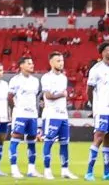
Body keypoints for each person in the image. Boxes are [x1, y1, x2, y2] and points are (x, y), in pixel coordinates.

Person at [85, 42, 109, 181]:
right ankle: (89, 172)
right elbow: (89, 89)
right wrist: (94, 105)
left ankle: (107, 173)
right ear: (103, 53)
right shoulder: (96, 69)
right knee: (99, 137)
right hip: (101, 108)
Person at [41, 52, 78, 180]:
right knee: (49, 142)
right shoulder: (46, 77)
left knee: (64, 143)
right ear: (51, 63)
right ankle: (47, 170)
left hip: (63, 115)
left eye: (62, 60)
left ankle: (65, 170)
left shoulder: (63, 78)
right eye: (58, 61)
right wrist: (62, 95)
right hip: (51, 114)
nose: (61, 63)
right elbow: (48, 96)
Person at [8, 56, 41, 179]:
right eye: (29, 63)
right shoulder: (15, 80)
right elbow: (10, 97)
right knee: (16, 138)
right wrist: (15, 109)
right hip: (20, 114)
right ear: (21, 65)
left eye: (32, 63)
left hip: (32, 115)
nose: (32, 65)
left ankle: (31, 169)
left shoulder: (35, 81)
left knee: (32, 140)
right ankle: (14, 169)